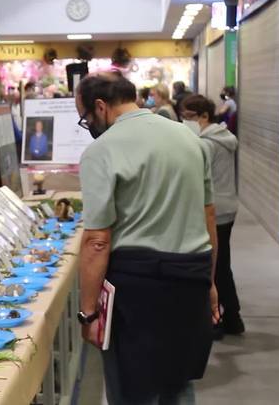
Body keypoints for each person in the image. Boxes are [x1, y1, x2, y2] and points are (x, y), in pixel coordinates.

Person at [76, 73, 219, 404]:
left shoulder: (102, 150)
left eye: (85, 118)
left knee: (132, 390)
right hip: (191, 276)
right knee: (178, 382)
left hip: (136, 286)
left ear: (100, 106)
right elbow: (208, 216)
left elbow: (97, 239)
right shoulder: (190, 138)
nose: (89, 126)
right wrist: (210, 282)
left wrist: (88, 313)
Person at [181, 94, 243, 338]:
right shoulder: (224, 138)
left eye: (188, 117)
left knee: (215, 267)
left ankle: (219, 320)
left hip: (215, 209)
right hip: (229, 206)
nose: (185, 122)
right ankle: (232, 318)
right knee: (222, 265)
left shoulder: (205, 143)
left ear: (204, 116)